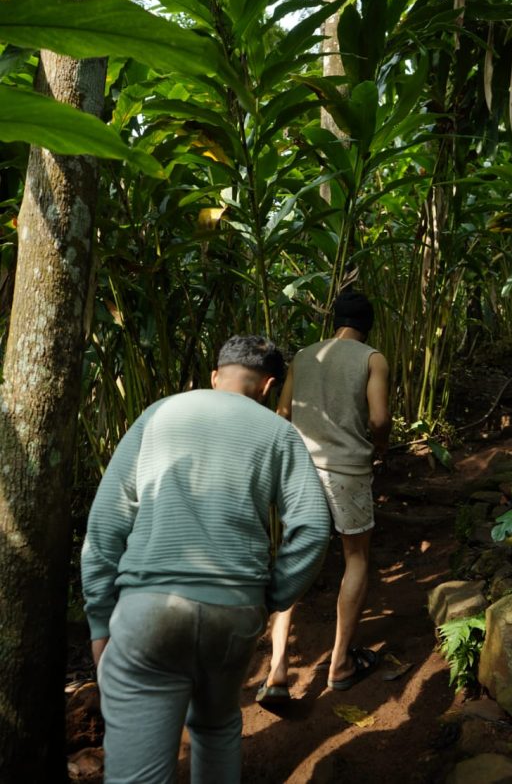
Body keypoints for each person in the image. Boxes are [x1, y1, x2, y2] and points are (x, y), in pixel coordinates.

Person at [81, 334, 331, 784]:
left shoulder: (158, 415)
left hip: (149, 608)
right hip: (233, 612)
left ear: (216, 376)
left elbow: (105, 524)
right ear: (269, 386)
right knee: (217, 727)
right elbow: (313, 526)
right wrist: (271, 596)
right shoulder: (278, 432)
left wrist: (99, 620)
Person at [257, 291, 391, 704]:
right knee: (356, 557)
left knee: (294, 559)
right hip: (348, 470)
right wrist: (379, 450)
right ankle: (340, 664)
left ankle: (277, 671)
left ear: (335, 321)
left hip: (301, 470)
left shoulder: (303, 355)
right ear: (369, 324)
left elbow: (281, 414)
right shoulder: (372, 359)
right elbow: (378, 418)